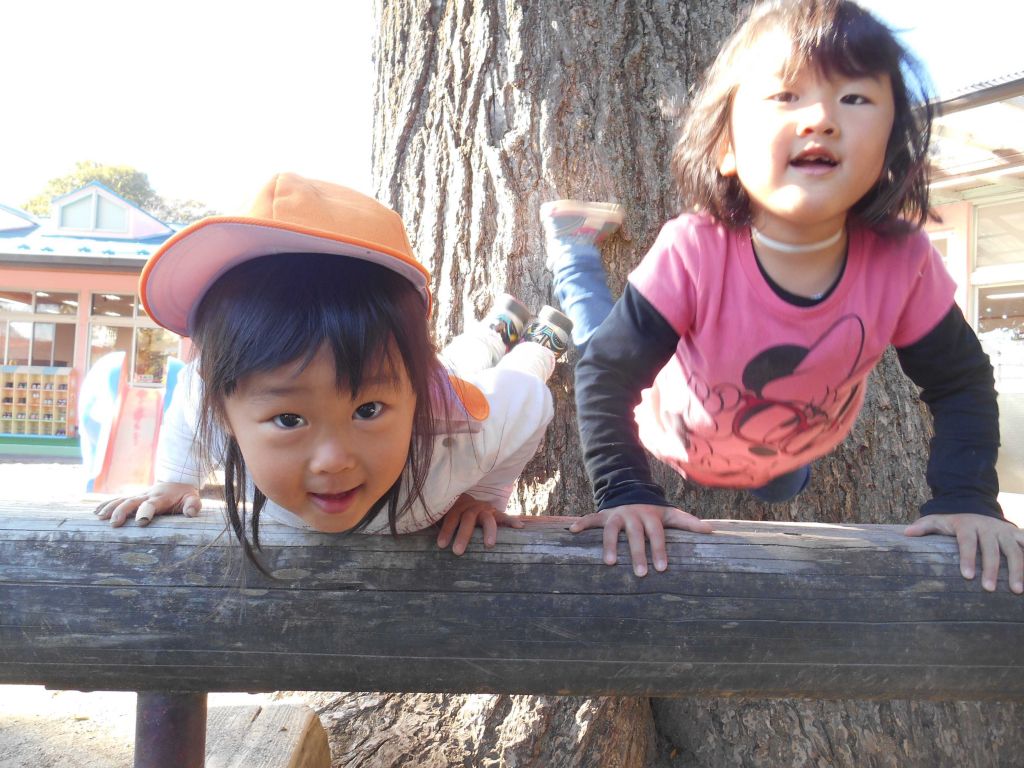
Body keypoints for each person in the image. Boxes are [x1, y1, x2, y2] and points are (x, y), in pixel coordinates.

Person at [542, 0, 1024, 591]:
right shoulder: (696, 250)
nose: (821, 118)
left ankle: (775, 462)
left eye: (855, 97)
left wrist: (968, 498)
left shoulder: (904, 264)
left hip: (788, 449)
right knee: (596, 337)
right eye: (786, 96)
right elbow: (609, 374)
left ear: (890, 146)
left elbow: (960, 382)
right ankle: (572, 246)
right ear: (726, 146)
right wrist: (625, 490)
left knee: (782, 480)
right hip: (666, 428)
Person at [95, 173, 573, 567]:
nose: (333, 461)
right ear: (225, 413)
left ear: (418, 394)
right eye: (289, 419)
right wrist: (178, 479)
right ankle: (496, 328)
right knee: (447, 368)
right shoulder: (219, 402)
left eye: (367, 410)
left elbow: (528, 399)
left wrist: (482, 495)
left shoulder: (459, 446)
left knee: (498, 372)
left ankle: (537, 341)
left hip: (450, 404)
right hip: (418, 385)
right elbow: (193, 393)